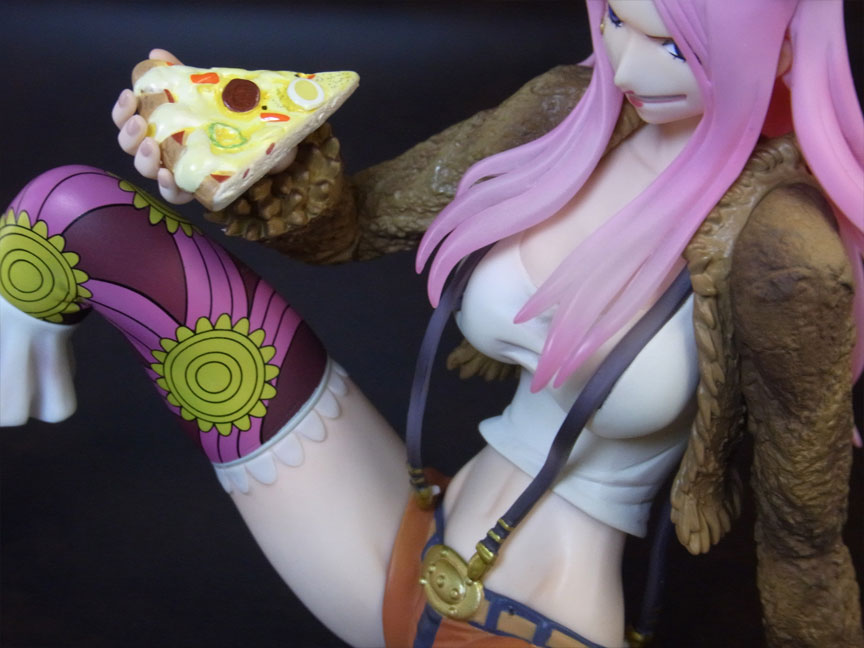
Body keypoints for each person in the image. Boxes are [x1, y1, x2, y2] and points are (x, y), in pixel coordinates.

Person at [4, 1, 861, 646]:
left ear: (781, 49)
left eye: (673, 46)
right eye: (615, 20)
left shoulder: (783, 255)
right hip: (409, 532)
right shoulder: (568, 115)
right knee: (77, 215)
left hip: (540, 619)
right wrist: (238, 153)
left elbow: (803, 537)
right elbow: (355, 223)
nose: (625, 63)